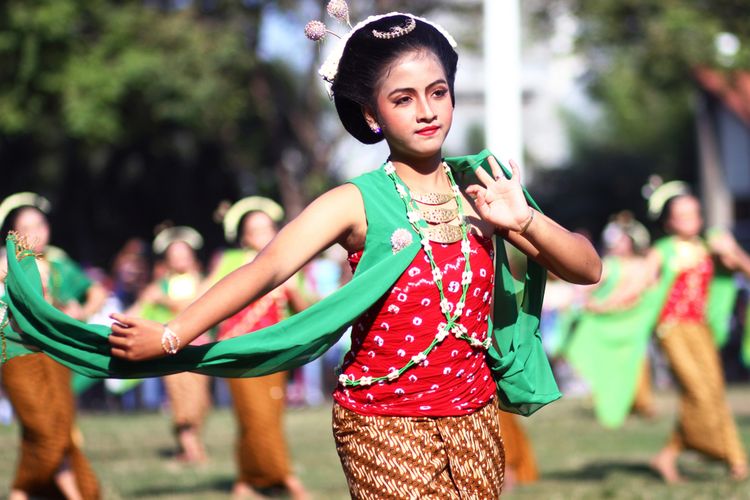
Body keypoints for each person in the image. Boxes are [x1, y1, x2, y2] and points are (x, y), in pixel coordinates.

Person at [3, 9, 601, 499]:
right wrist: (172, 334)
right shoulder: (353, 202)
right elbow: (266, 269)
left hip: (473, 417)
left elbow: (586, 268)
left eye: (438, 92)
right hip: (380, 420)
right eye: (403, 98)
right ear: (371, 114)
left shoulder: (486, 188)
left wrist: (522, 219)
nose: (426, 110)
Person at [598, 182, 750, 482]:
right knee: (699, 391)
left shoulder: (711, 246)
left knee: (712, 394)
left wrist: (731, 251)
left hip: (702, 330)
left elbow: (744, 269)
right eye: (682, 215)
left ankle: (671, 456)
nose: (691, 219)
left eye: (694, 213)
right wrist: (605, 304)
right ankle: (730, 456)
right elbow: (638, 283)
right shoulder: (662, 251)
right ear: (669, 222)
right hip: (672, 330)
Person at [0, 192, 104, 500]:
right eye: (27, 226)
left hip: (55, 355)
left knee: (57, 428)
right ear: (12, 233)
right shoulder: (5, 265)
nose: (37, 232)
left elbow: (95, 291)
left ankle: (34, 493)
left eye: (41, 224)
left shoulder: (57, 263)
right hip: (16, 356)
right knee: (45, 430)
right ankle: (32, 493)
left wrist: (80, 312)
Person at [208, 197, 309, 499]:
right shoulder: (229, 262)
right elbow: (210, 295)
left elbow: (305, 308)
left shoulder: (290, 261)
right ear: (244, 236)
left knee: (270, 416)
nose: (263, 234)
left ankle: (248, 479)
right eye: (256, 230)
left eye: (268, 228)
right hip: (238, 350)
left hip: (274, 351)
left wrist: (289, 289)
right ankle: (285, 477)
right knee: (251, 415)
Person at [564, 211, 657, 428]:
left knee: (638, 361)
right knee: (610, 365)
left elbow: (647, 288)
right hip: (609, 323)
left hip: (633, 322)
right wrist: (588, 302)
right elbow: (587, 284)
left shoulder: (642, 264)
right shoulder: (609, 264)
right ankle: (618, 401)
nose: (619, 245)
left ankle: (641, 403)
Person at [128, 225, 212, 464]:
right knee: (181, 399)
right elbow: (140, 307)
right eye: (174, 254)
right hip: (173, 349)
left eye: (183, 253)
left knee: (200, 401)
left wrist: (166, 301)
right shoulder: (160, 285)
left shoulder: (202, 281)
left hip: (200, 348)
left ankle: (189, 445)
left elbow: (197, 303)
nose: (180, 258)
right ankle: (192, 449)